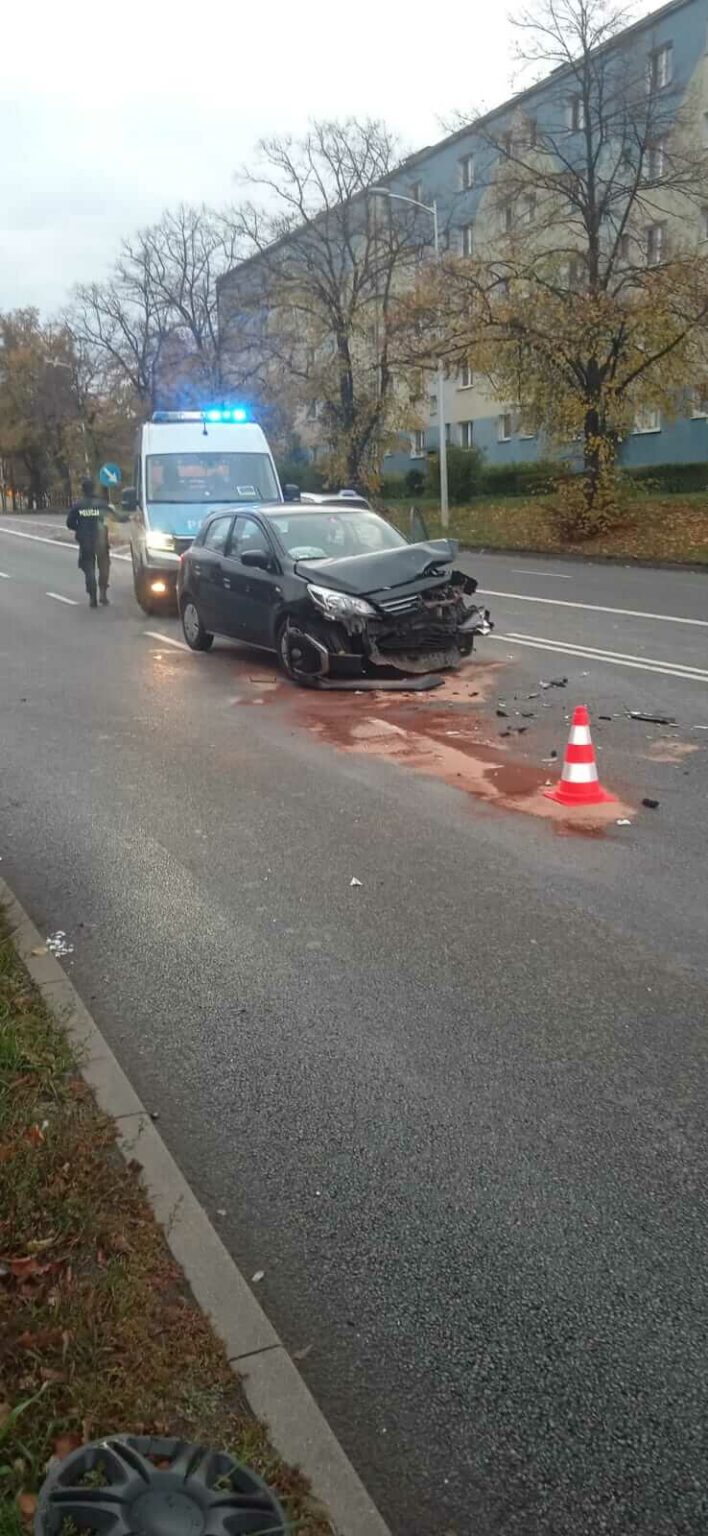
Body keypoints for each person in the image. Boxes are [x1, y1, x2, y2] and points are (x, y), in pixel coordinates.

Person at [67, 477, 111, 608]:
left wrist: (79, 528)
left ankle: (92, 596)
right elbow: (112, 518)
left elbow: (69, 523)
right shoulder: (101, 504)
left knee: (89, 568)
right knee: (104, 567)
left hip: (85, 541)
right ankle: (103, 593)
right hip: (101, 541)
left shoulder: (78, 505)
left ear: (83, 490)